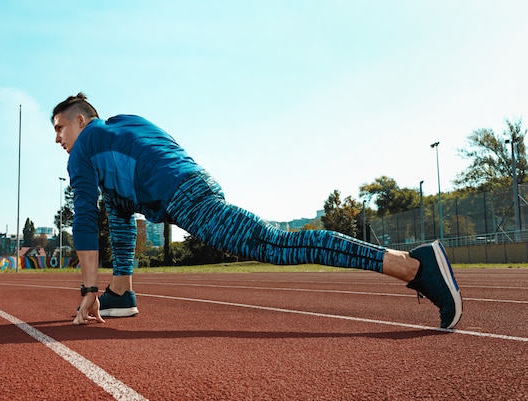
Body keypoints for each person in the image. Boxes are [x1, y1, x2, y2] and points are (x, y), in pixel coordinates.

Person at [52, 93, 463, 329]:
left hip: (183, 196)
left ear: (82, 120)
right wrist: (117, 289)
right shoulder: (126, 125)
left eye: (59, 128)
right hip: (195, 183)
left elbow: (84, 217)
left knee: (278, 245)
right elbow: (120, 216)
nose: (58, 139)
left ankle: (413, 265)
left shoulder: (86, 146)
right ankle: (121, 296)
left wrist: (87, 290)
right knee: (275, 243)